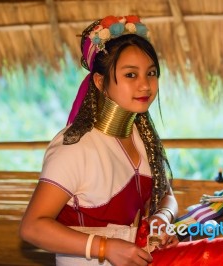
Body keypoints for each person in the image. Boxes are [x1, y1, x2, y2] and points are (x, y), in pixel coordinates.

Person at [20, 15, 179, 266]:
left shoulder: (142, 136)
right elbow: (32, 228)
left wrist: (162, 219)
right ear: (99, 81)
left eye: (151, 73)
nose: (145, 85)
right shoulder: (75, 147)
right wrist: (104, 248)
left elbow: (166, 195)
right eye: (130, 75)